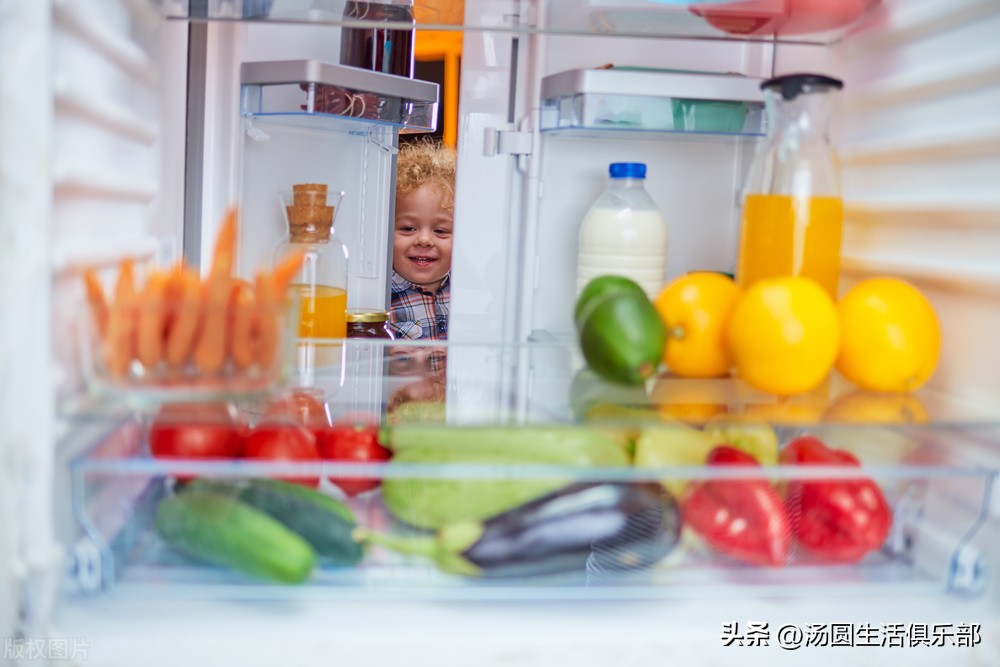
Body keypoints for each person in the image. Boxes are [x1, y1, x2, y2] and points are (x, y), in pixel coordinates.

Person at [389, 140, 456, 340]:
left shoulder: (468, 293)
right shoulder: (378, 297)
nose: (424, 240)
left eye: (441, 230)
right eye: (408, 228)